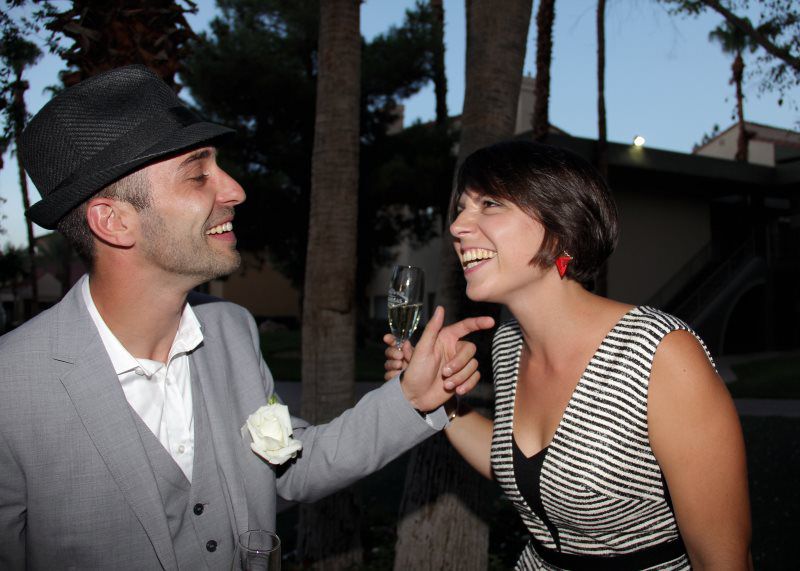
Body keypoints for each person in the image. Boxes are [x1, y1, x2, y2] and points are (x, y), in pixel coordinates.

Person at [0, 65, 494, 570]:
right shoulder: (10, 389)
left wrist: (412, 396)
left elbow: (289, 465)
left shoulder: (231, 329)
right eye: (198, 175)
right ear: (113, 221)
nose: (235, 190)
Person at [385, 140, 751, 570]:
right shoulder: (508, 345)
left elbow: (723, 560)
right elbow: (523, 469)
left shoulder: (659, 356)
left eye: (489, 204)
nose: (457, 226)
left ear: (560, 228)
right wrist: (442, 403)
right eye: (462, 207)